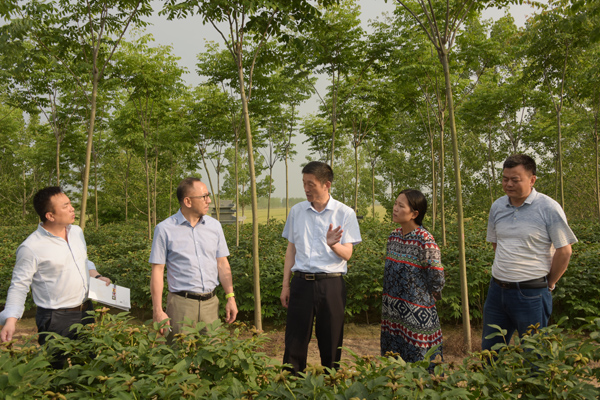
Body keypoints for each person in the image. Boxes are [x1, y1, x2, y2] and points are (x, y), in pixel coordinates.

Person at [0, 186, 111, 368]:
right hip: (55, 319)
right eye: (65, 206)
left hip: (86, 311)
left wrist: (96, 276)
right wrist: (10, 320)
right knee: (57, 371)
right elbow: (19, 285)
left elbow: (83, 261)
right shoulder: (31, 247)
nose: (72, 208)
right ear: (50, 216)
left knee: (89, 366)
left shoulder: (76, 232)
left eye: (70, 204)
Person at [481, 154, 578, 351]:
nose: (508, 184)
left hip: (532, 293)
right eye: (505, 179)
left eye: (515, 180)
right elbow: (496, 243)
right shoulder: (497, 206)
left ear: (532, 179)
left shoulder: (548, 207)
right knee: (490, 352)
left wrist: (549, 282)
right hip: (497, 290)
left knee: (534, 354)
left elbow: (564, 251)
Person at [279, 161, 362, 375]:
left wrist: (333, 245)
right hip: (301, 283)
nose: (306, 189)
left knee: (331, 341)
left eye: (311, 184)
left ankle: (330, 382)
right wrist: (286, 285)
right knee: (294, 341)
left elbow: (348, 254)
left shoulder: (344, 213)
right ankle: (291, 383)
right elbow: (291, 250)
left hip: (331, 284)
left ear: (326, 184)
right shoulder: (297, 211)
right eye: (304, 183)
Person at [149, 177, 238, 339]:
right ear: (188, 201)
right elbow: (157, 270)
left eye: (208, 196)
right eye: (204, 197)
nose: (209, 201)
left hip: (211, 304)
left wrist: (230, 297)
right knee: (180, 351)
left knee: (213, 350)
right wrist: (158, 310)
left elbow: (222, 263)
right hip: (181, 306)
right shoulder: (164, 229)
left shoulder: (215, 226)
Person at [380, 189, 444, 371]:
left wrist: (426, 298)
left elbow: (437, 277)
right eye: (395, 204)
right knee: (393, 366)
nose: (395, 209)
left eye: (401, 206)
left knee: (419, 365)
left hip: (416, 315)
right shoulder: (393, 237)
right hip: (392, 313)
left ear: (415, 213)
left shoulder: (425, 240)